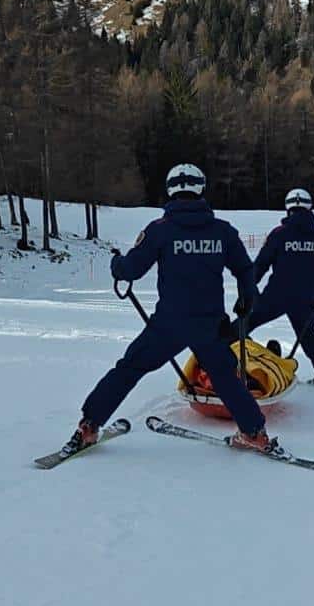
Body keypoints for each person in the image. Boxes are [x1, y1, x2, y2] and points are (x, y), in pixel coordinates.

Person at [67, 165, 277, 454]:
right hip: (209, 324)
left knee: (130, 368)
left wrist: (116, 264)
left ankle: (89, 425)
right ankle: (254, 432)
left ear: (171, 190)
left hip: (169, 323)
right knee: (225, 376)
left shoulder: (160, 230)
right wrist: (247, 297)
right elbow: (244, 268)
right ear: (200, 189)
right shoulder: (222, 231)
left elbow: (131, 270)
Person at [247, 187, 314, 389]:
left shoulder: (279, 234)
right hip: (304, 296)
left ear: (288, 209)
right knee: (310, 337)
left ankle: (218, 365)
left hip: (275, 295)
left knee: (243, 325)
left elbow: (261, 264)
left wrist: (249, 287)